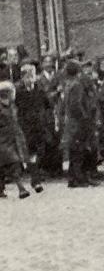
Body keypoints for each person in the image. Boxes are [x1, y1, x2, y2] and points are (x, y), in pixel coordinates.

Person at [63, 59, 100, 188]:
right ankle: (79, 178)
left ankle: (73, 178)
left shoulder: (69, 83)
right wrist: (85, 118)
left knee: (75, 151)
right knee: (79, 150)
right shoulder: (77, 85)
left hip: (71, 122)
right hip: (78, 122)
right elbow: (76, 104)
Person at [14, 62, 50, 192]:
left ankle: (33, 174)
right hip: (25, 126)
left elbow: (47, 104)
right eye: (28, 76)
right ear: (23, 77)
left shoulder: (39, 88)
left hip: (39, 125)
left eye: (33, 75)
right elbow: (14, 107)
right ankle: (35, 181)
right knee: (30, 152)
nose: (31, 79)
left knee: (39, 151)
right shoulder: (17, 90)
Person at [0, 81, 31, 199]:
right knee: (12, 163)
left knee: (10, 164)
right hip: (2, 140)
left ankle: (2, 189)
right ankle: (21, 188)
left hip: (13, 139)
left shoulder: (11, 105)